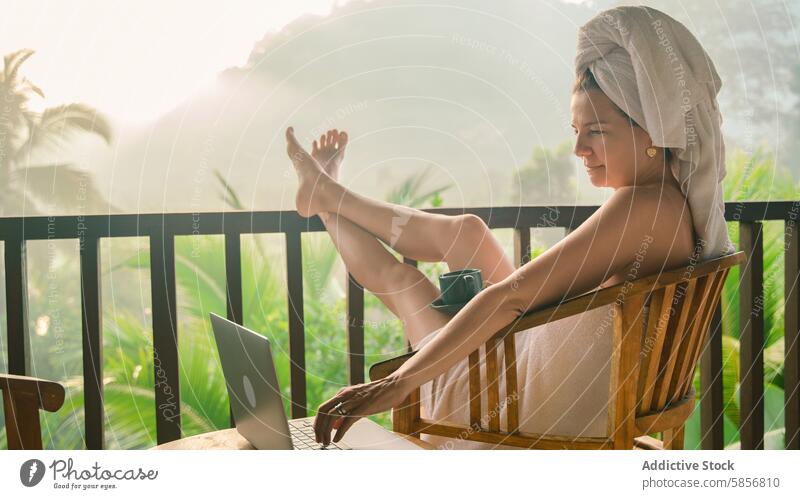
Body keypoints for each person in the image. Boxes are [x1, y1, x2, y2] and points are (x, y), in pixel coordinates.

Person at [285, 5, 734, 449]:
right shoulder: (670, 199)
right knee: (468, 232)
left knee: (404, 280)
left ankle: (326, 203)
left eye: (596, 131)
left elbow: (514, 296)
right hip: (535, 370)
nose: (578, 148)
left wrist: (396, 384)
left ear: (654, 132)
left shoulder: (642, 207)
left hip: (506, 398)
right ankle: (327, 195)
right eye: (575, 129)